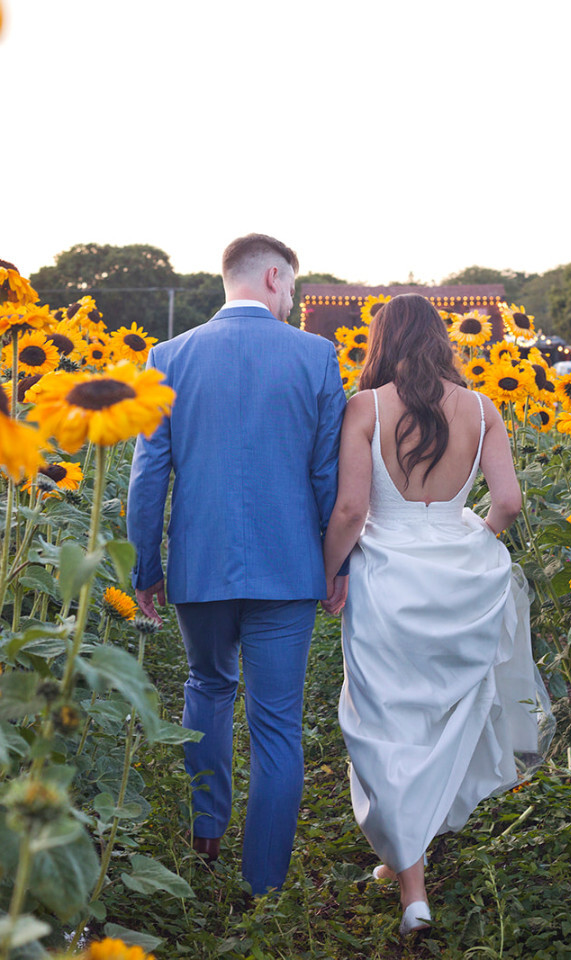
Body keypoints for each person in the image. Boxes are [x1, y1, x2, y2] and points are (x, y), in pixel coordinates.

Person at [322, 294, 552, 935]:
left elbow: (349, 511)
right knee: (448, 717)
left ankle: (413, 894)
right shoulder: (482, 408)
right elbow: (506, 501)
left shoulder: (365, 407)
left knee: (387, 723)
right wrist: (474, 533)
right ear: (442, 340)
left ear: (382, 341)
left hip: (388, 578)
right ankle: (407, 850)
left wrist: (327, 574)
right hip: (461, 574)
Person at [127, 233, 348, 895]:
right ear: (275, 276)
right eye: (294, 289)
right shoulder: (317, 356)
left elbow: (147, 479)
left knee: (209, 688)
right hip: (288, 568)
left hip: (201, 565)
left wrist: (145, 568)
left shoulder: (168, 357)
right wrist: (334, 567)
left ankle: (205, 839)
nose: (293, 302)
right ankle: (265, 886)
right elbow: (327, 476)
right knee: (278, 722)